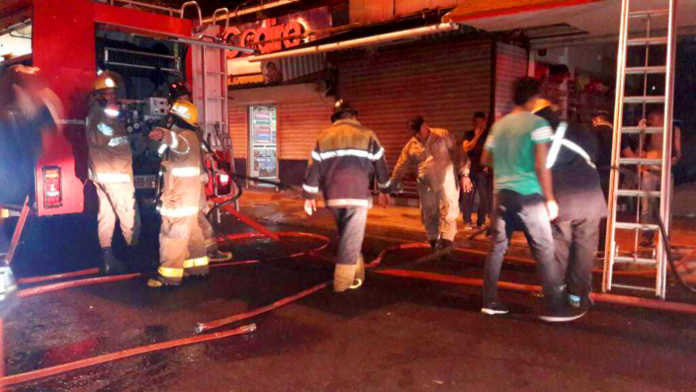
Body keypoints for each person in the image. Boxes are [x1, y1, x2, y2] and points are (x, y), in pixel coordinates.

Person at [480, 77, 584, 322]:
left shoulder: (499, 126)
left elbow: (485, 159)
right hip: (528, 195)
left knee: (497, 248)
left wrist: (507, 167)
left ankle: (489, 301)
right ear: (532, 98)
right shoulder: (538, 124)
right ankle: (555, 306)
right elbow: (541, 165)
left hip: (501, 194)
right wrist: (549, 198)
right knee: (544, 249)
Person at [302, 100, 391, 292]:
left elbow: (313, 168)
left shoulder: (323, 136)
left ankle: (356, 275)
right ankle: (341, 285)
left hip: (332, 196)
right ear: (354, 116)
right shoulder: (367, 135)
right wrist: (384, 190)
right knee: (351, 238)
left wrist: (309, 195)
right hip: (357, 195)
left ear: (335, 117)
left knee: (348, 235)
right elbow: (381, 165)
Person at [0, 65, 62, 314]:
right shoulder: (21, 115)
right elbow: (45, 138)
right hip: (14, 181)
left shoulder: (15, 115)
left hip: (13, 181)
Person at [535, 101, 607, 311]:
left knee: (559, 247)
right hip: (592, 199)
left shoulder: (543, 139)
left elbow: (540, 169)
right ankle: (578, 295)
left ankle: (556, 293)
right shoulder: (582, 132)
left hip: (563, 200)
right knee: (584, 249)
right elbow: (594, 156)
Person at [166, 81, 232, 262]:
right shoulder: (171, 129)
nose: (186, 104)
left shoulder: (192, 128)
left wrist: (208, 164)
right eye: (182, 100)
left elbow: (200, 150)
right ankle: (203, 251)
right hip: (179, 184)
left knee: (196, 214)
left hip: (192, 180)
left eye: (188, 100)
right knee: (192, 216)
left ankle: (203, 251)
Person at [147, 99, 209, 287]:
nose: (168, 120)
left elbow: (175, 141)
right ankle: (197, 268)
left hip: (178, 199)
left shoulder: (184, 137)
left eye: (171, 117)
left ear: (177, 119)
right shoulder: (192, 135)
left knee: (173, 234)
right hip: (188, 197)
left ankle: (169, 277)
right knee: (192, 232)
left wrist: (162, 134)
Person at [389, 116, 472, 251]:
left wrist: (464, 174)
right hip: (426, 186)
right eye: (413, 132)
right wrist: (390, 185)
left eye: (417, 130)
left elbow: (459, 153)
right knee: (429, 213)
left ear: (424, 126)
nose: (416, 134)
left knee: (448, 210)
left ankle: (446, 243)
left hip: (446, 182)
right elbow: (400, 166)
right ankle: (433, 242)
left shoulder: (443, 136)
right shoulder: (411, 145)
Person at [86, 72, 136, 274]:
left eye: (114, 93)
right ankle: (134, 260)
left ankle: (108, 260)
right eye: (108, 94)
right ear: (99, 96)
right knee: (128, 216)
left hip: (102, 174)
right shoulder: (102, 116)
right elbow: (105, 137)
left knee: (105, 217)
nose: (113, 98)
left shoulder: (96, 114)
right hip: (116, 175)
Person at [637, 109, 681, 246]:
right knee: (646, 207)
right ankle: (646, 236)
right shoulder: (648, 130)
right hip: (650, 170)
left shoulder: (673, 130)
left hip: (665, 171)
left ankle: (665, 236)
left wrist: (673, 159)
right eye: (652, 119)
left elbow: (678, 152)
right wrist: (641, 134)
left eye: (656, 119)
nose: (653, 121)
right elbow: (640, 150)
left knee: (666, 206)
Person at [461, 111, 491, 229]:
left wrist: (488, 165)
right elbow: (466, 148)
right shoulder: (468, 134)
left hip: (482, 170)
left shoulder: (488, 135)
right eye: (476, 122)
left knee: (484, 197)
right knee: (467, 195)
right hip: (469, 169)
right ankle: (467, 221)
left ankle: (481, 221)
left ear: (484, 122)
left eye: (481, 122)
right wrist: (477, 136)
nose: (479, 125)